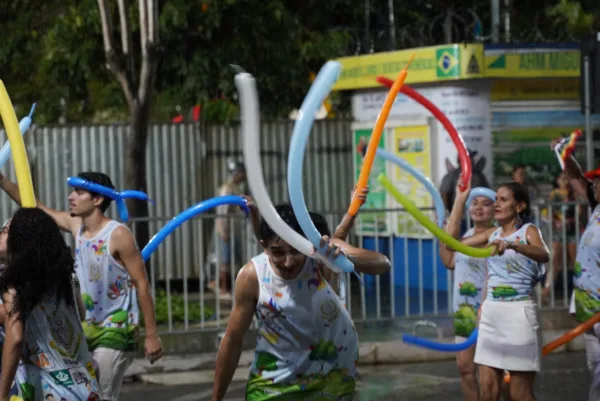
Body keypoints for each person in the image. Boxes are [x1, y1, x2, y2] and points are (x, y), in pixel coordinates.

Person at [0, 171, 163, 401]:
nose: (70, 197)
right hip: (88, 326)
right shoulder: (78, 227)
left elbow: (142, 283)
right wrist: (4, 182)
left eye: (79, 192)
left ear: (97, 200)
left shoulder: (117, 234)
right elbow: (37, 208)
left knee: (103, 395)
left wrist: (152, 334)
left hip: (115, 328)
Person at [211, 204, 390, 401]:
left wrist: (344, 257)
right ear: (264, 246)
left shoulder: (321, 256)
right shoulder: (252, 276)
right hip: (273, 383)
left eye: (296, 251)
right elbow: (233, 339)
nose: (288, 262)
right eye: (278, 253)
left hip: (330, 380)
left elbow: (382, 263)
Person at [448, 180, 549, 401]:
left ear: (519, 206)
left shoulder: (527, 231)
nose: (497, 204)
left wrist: (513, 245)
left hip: (519, 312)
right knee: (488, 388)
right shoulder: (492, 235)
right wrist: (459, 201)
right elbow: (452, 244)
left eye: (503, 200)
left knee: (519, 393)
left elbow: (544, 254)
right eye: (497, 200)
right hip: (491, 313)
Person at [0, 208, 101, 401]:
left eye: (7, 232)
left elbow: (16, 337)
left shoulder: (14, 284)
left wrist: (2, 394)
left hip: (47, 388)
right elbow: (81, 315)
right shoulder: (68, 278)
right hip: (85, 386)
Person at [553, 136, 600, 401]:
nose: (594, 186)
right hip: (588, 312)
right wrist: (564, 154)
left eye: (599, 183)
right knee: (595, 370)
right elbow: (576, 178)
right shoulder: (596, 209)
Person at [439, 187, 495, 401]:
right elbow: (449, 261)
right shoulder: (467, 236)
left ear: (494, 209)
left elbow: (493, 276)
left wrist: (484, 308)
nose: (479, 208)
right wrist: (441, 233)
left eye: (486, 203)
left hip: (485, 312)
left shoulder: (495, 237)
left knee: (487, 373)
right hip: (463, 310)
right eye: (475, 203)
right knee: (464, 367)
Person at [208, 160, 248, 298]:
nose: (244, 176)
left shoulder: (236, 188)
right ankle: (223, 288)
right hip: (226, 230)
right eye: (242, 173)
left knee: (233, 260)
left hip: (233, 230)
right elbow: (222, 211)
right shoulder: (227, 189)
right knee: (224, 260)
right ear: (237, 173)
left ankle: (218, 284)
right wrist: (223, 231)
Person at [542, 171, 579, 302]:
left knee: (575, 260)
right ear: (557, 180)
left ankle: (579, 290)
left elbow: (579, 211)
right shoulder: (555, 193)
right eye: (562, 178)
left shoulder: (575, 193)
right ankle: (547, 288)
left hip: (572, 231)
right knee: (555, 259)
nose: (565, 181)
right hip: (558, 232)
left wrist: (568, 221)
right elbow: (549, 211)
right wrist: (553, 220)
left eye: (567, 178)